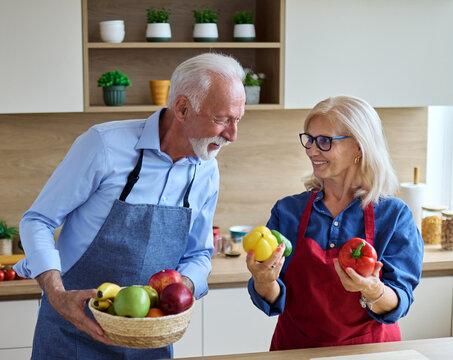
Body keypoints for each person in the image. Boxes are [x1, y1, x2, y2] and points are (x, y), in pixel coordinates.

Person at [14, 52, 246, 359]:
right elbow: (37, 221)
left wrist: (179, 288)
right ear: (182, 108)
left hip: (149, 343)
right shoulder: (104, 145)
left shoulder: (206, 168)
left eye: (238, 120)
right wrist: (56, 295)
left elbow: (198, 253)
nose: (232, 134)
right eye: (222, 119)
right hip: (72, 333)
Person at [246, 95, 423, 350]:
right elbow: (275, 297)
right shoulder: (288, 211)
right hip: (297, 350)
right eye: (309, 139)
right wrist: (264, 281)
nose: (311, 150)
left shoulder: (394, 216)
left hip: (368, 352)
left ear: (359, 147)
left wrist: (374, 291)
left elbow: (400, 300)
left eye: (325, 141)